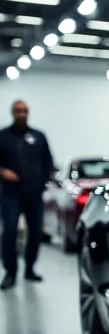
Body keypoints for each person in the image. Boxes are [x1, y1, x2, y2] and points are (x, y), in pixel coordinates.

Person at [0, 100, 54, 290]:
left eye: (24, 110)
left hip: (33, 193)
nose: (21, 114)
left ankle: (30, 268)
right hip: (10, 194)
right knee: (10, 232)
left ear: (28, 113)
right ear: (12, 113)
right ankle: (10, 272)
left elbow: (48, 161)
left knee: (36, 232)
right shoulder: (3, 136)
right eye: (17, 111)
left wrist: (44, 181)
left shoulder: (38, 136)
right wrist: (2, 171)